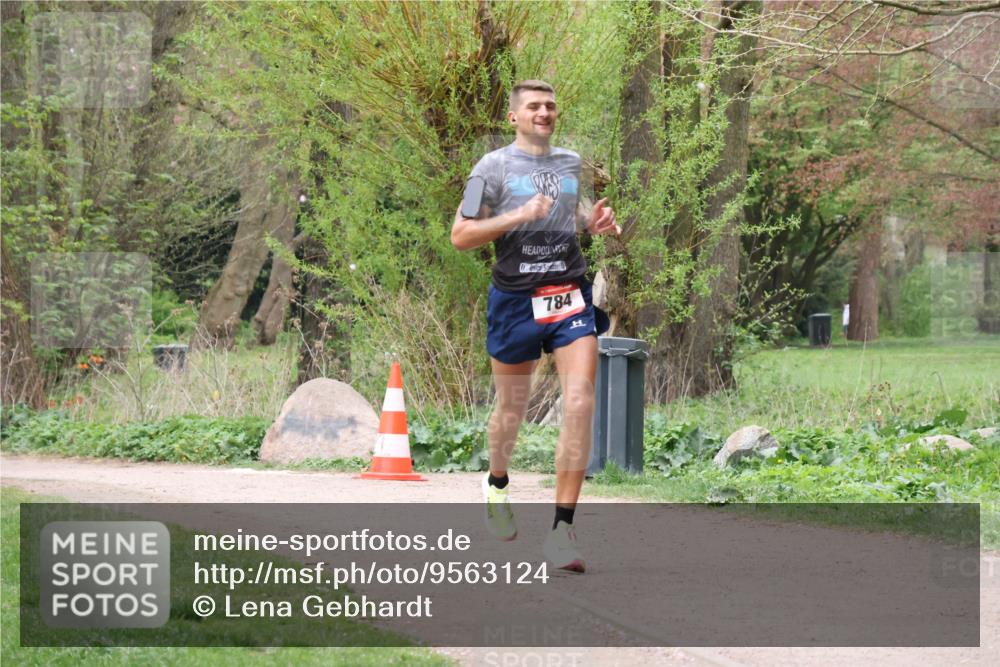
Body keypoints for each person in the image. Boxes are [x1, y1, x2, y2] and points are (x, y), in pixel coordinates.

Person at [450, 80, 620, 573]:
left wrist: (594, 222)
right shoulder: (491, 168)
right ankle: (497, 482)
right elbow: (462, 235)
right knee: (512, 408)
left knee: (581, 398)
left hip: (568, 297)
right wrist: (517, 215)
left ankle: (561, 532)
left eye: (549, 105)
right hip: (515, 301)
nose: (544, 112)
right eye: (533, 106)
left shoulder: (569, 162)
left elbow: (570, 214)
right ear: (514, 117)